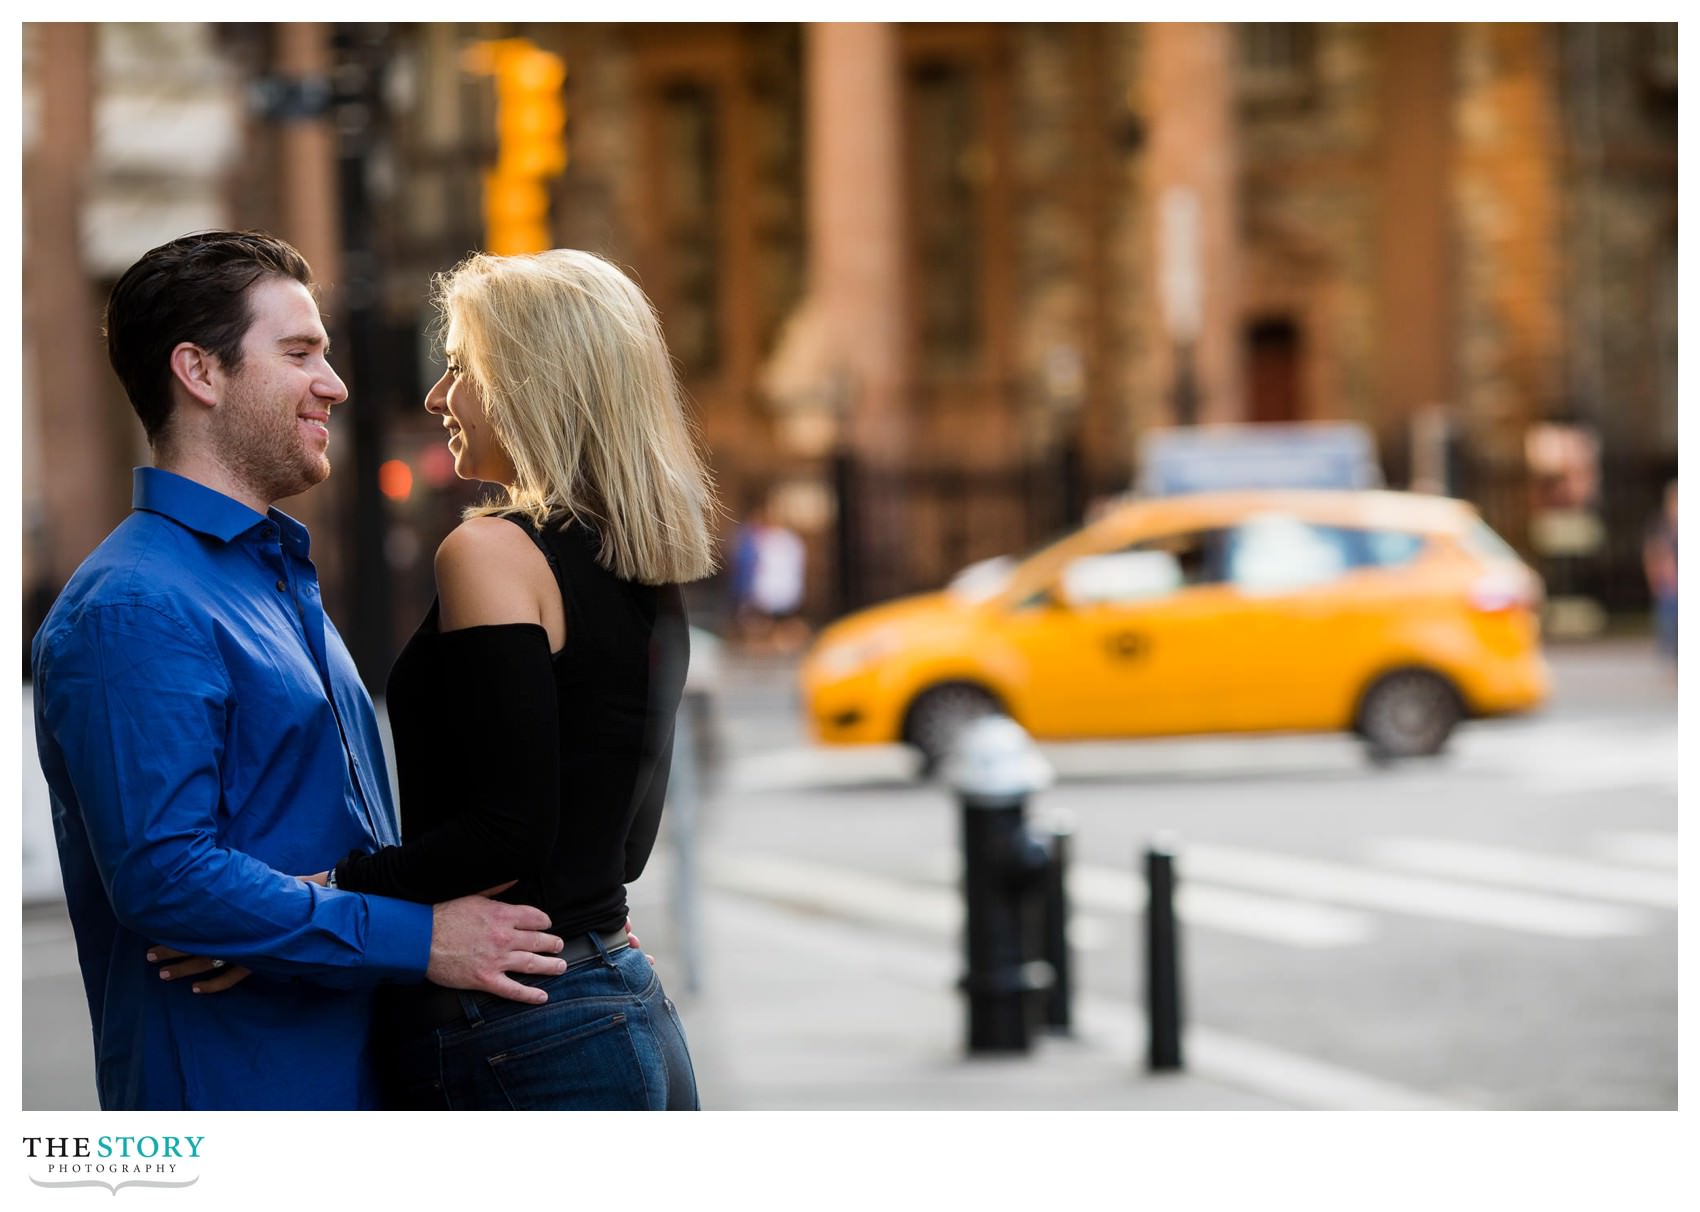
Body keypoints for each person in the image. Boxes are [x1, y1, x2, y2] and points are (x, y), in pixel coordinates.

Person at [30, 231, 570, 1111]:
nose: (336, 384)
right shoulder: (134, 606)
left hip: (356, 1080)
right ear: (200, 374)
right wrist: (420, 935)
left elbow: (326, 843)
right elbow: (167, 878)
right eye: (299, 354)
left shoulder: (275, 576)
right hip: (237, 1098)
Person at [310, 248, 718, 1109]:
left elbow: (507, 836)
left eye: (459, 367)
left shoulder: (489, 550)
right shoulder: (646, 559)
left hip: (521, 1028)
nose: (435, 396)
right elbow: (628, 843)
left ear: (531, 381)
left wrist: (324, 895)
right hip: (623, 1001)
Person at [1643, 478, 1678, 662]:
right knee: (1669, 620)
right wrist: (1655, 577)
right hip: (1669, 584)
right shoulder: (1661, 525)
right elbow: (1652, 553)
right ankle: (1671, 652)